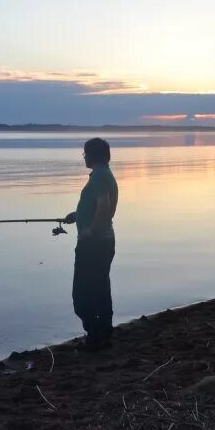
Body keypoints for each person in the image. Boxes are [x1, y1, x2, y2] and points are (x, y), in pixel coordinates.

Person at [64, 138, 118, 350]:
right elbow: (97, 206)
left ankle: (94, 335)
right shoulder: (104, 175)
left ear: (93, 155)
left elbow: (104, 207)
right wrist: (77, 215)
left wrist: (91, 231)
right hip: (104, 242)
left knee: (82, 295)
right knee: (101, 287)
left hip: (94, 244)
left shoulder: (100, 176)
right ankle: (104, 330)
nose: (84, 157)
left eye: (85, 153)